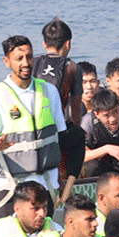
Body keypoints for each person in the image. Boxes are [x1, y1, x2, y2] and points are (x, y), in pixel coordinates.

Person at [0, 35, 66, 219]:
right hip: (10, 185)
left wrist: (62, 179)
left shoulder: (49, 91)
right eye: (19, 59)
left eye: (29, 57)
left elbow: (61, 138)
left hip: (45, 183)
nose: (26, 63)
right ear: (6, 61)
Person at [32, 18, 85, 180]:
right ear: (68, 44)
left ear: (44, 44)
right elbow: (76, 112)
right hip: (53, 133)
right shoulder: (72, 67)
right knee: (79, 135)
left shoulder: (32, 63)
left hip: (30, 129)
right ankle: (70, 182)